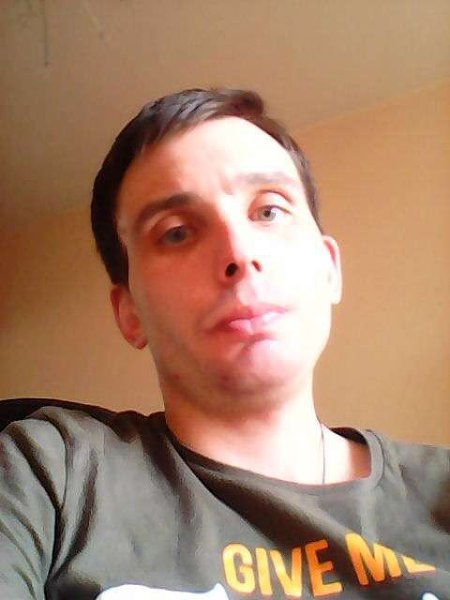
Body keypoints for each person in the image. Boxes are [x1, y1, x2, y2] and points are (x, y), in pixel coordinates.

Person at [0, 88, 448, 600]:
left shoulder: (441, 490)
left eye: (269, 211)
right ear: (130, 313)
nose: (239, 252)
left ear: (329, 269)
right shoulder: (50, 474)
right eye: (176, 232)